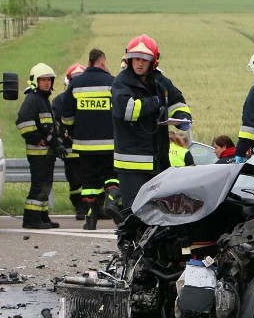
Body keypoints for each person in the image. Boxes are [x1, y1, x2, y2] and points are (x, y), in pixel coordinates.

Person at [111, 34, 192, 208]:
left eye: (144, 60)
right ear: (129, 60)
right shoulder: (121, 82)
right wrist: (154, 102)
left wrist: (182, 117)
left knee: (158, 210)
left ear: (153, 61)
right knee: (133, 211)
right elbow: (127, 110)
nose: (140, 64)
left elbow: (176, 101)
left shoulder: (160, 81)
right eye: (136, 59)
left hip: (158, 160)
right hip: (132, 163)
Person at [60, 48, 121, 230]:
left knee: (88, 183)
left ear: (89, 62)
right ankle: (111, 203)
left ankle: (90, 219)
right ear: (102, 63)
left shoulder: (76, 84)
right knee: (111, 176)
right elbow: (120, 111)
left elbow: (66, 115)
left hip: (84, 145)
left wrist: (72, 131)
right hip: (109, 143)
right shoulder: (112, 82)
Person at [16, 63, 61, 229]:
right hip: (37, 152)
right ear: (35, 81)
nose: (47, 83)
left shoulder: (43, 99)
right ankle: (31, 219)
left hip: (46, 152)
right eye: (43, 80)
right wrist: (36, 139)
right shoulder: (33, 99)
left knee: (45, 184)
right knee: (39, 184)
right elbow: (23, 122)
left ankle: (43, 217)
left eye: (49, 80)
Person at [51, 63, 86, 221]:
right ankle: (79, 208)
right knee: (76, 181)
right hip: (70, 149)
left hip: (89, 149)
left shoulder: (88, 99)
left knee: (92, 180)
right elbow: (55, 123)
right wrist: (66, 134)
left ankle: (95, 208)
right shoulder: (59, 101)